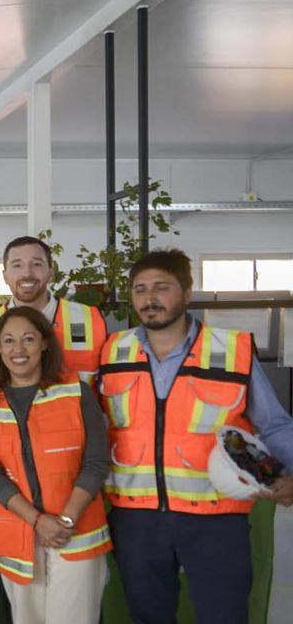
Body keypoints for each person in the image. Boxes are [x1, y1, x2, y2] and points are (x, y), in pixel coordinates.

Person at [98, 248, 293, 624]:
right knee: (148, 616)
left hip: (215, 518)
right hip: (136, 519)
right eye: (140, 290)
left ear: (187, 293)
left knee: (224, 615)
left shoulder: (230, 351)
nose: (149, 299)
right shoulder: (113, 351)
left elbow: (273, 423)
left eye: (161, 288)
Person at [0, 306, 111, 624]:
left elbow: (96, 462)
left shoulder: (77, 392)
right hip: (15, 535)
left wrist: (64, 521)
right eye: (8, 341)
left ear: (45, 343)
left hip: (76, 532)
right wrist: (37, 522)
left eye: (28, 339)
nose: (18, 349)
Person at [0, 236, 106, 383]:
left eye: (36, 264)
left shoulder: (89, 319)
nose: (27, 273)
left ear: (50, 273)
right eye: (17, 265)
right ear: (5, 276)